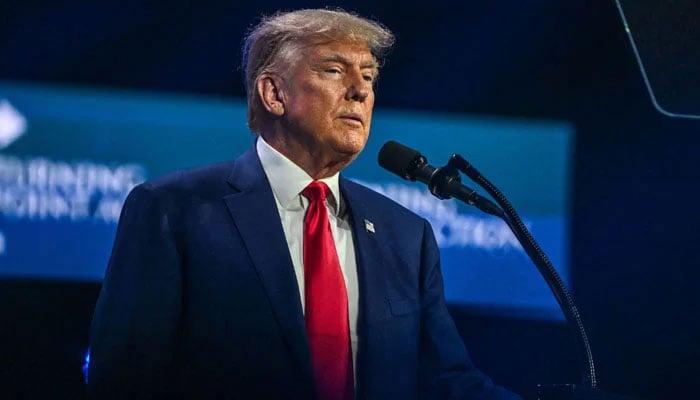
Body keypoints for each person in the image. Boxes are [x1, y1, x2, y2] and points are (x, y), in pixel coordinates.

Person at [87, 8, 522, 400]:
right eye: (334, 71)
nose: (359, 92)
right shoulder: (174, 211)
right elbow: (124, 381)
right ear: (274, 94)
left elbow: (445, 380)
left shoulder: (406, 235)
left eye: (368, 77)